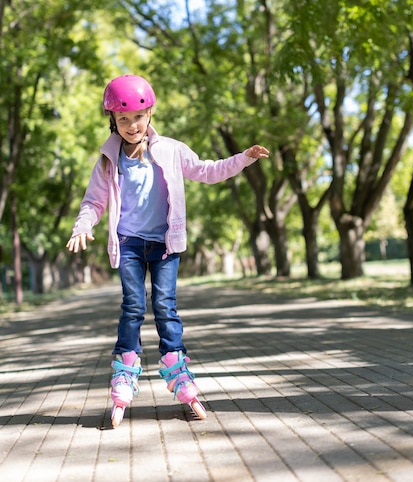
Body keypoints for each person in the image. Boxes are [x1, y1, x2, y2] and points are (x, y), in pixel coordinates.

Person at [66, 74, 269, 426]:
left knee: (164, 306)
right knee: (133, 306)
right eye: (124, 119)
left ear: (150, 115)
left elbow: (207, 170)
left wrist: (243, 158)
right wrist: (83, 226)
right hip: (129, 243)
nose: (132, 125)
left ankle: (177, 369)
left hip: (164, 244)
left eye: (138, 117)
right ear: (112, 119)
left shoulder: (172, 149)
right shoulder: (106, 160)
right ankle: (125, 372)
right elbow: (94, 202)